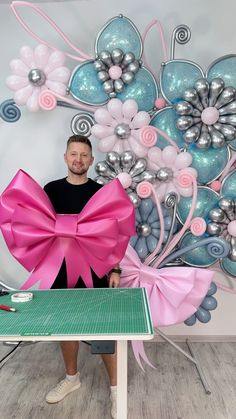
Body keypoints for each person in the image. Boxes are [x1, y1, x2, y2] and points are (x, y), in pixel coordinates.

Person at [44, 134, 121, 419]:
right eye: (73, 154)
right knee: (66, 326)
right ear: (65, 157)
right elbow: (39, 230)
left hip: (96, 270)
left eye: (84, 155)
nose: (78, 159)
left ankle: (115, 391)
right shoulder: (50, 190)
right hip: (60, 269)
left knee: (104, 328)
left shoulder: (102, 194)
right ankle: (72, 378)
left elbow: (114, 235)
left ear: (91, 160)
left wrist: (115, 268)